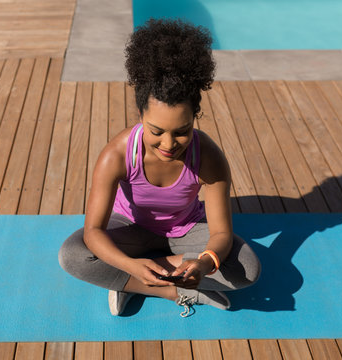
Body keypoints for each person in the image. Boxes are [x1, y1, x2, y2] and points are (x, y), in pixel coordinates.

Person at [59, 18, 260, 317]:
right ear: (140, 114)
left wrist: (203, 263)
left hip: (186, 229)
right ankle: (168, 289)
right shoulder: (116, 155)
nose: (169, 143)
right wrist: (130, 265)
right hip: (129, 228)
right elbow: (93, 232)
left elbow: (220, 234)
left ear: (195, 118)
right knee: (73, 255)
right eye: (156, 131)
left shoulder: (209, 157)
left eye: (182, 131)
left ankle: (125, 280)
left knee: (247, 268)